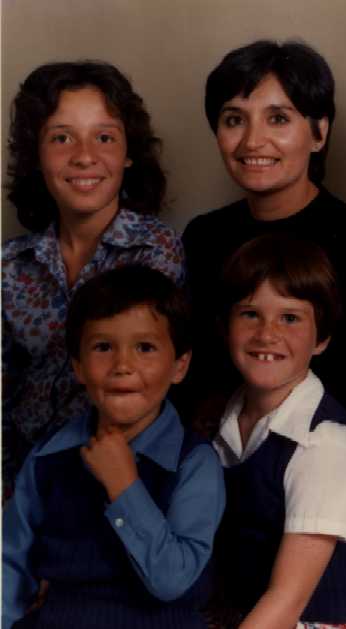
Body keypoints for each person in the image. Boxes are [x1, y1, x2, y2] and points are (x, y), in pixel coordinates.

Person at [2, 265, 225, 629]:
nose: (123, 365)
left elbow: (172, 581)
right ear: (78, 366)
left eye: (145, 348)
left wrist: (124, 486)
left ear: (179, 366)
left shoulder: (194, 463)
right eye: (103, 347)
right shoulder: (48, 457)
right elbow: (10, 565)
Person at [2, 61, 185, 495]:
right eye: (61, 138)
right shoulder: (11, 265)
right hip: (23, 478)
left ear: (128, 153)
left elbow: (142, 381)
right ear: (36, 155)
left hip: (121, 475)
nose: (84, 155)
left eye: (104, 137)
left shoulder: (155, 251)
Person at [182, 39, 346, 424]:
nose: (252, 140)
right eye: (234, 119)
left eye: (278, 118)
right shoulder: (202, 237)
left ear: (319, 133)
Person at [210, 234, 346, 629]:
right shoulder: (221, 419)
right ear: (225, 327)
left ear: (321, 338)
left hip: (315, 621)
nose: (266, 334)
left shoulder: (325, 443)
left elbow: (287, 600)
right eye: (250, 314)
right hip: (245, 612)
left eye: (289, 318)